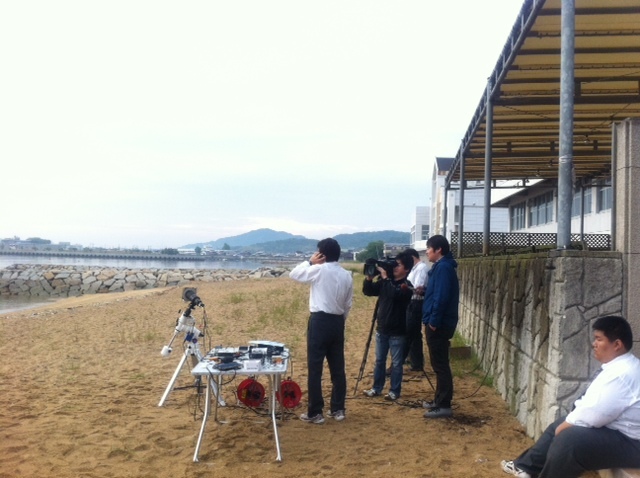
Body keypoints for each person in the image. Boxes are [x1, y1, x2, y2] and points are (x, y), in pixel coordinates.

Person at [501, 315, 640, 478]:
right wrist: (568, 422)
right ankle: (525, 467)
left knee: (569, 440)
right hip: (621, 435)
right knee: (564, 424)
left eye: (599, 339)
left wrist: (567, 425)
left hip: (633, 443)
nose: (594, 344)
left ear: (617, 345)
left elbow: (595, 414)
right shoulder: (621, 366)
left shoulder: (622, 373)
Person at [289, 238, 353, 425]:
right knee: (338, 368)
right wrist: (340, 320)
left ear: (321, 254)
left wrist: (310, 262)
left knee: (315, 368)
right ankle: (338, 408)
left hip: (319, 320)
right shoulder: (346, 275)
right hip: (337, 321)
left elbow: (294, 274)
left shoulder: (318, 269)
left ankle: (316, 412)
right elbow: (348, 303)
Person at [362, 252, 414, 401]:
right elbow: (368, 291)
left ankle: (394, 391)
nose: (395, 267)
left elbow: (394, 294)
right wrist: (369, 277)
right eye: (394, 264)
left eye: (399, 265)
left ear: (407, 269)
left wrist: (385, 277)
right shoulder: (385, 282)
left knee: (396, 364)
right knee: (379, 361)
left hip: (398, 331)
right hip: (382, 329)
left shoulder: (406, 286)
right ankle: (376, 388)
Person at [422, 234, 459, 419]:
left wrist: (434, 321)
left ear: (438, 250)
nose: (427, 251)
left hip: (439, 324)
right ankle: (438, 400)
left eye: (429, 248)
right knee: (438, 364)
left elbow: (441, 297)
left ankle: (444, 405)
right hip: (437, 322)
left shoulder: (444, 267)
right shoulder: (440, 266)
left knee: (441, 365)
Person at [402, 248, 429, 371]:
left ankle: (416, 362)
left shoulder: (421, 268)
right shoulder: (414, 268)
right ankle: (414, 360)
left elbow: (418, 287)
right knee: (413, 333)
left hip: (417, 302)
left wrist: (405, 287)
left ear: (412, 257)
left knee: (412, 333)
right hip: (412, 302)